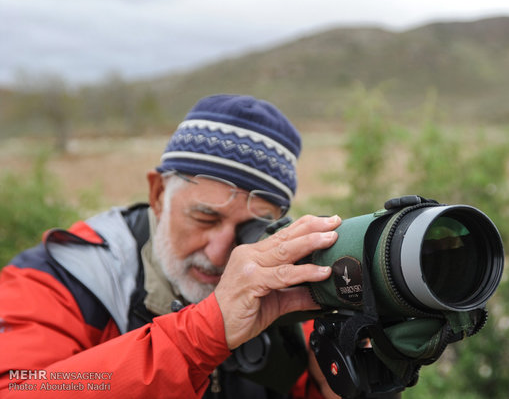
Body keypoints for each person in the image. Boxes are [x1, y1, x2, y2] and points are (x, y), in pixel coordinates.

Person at [0, 94, 342, 398]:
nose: (221, 253)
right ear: (159, 195)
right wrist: (201, 337)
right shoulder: (63, 280)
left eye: (250, 230)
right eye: (205, 217)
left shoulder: (277, 292)